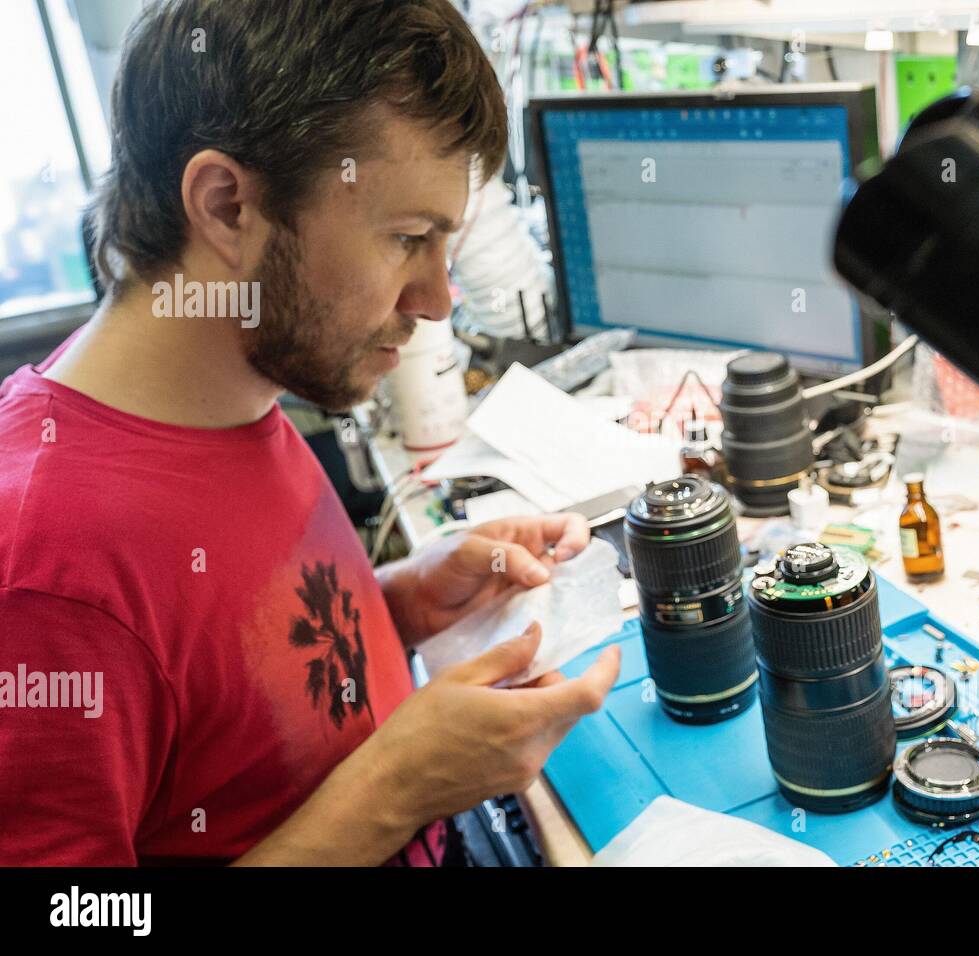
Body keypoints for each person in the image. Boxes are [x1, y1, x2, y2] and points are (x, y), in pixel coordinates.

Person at [0, 0, 620, 866]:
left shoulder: (237, 388)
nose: (437, 299)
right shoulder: (46, 585)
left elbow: (226, 679)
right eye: (407, 239)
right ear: (227, 208)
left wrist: (400, 602)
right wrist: (395, 790)